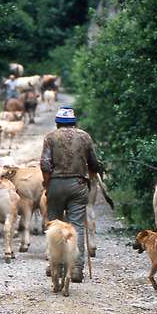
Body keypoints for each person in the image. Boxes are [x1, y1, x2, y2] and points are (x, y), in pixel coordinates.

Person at [40, 105, 101, 283]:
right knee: (77, 226)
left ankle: (55, 266)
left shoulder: (50, 137)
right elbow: (95, 163)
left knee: (54, 226)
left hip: (56, 185)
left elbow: (44, 164)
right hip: (78, 185)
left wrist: (47, 182)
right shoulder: (84, 136)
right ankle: (76, 268)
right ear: (74, 122)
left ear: (57, 122)